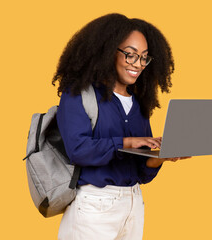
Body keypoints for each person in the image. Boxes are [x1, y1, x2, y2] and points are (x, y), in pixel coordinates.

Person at [52, 13, 190, 240]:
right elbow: (78, 150)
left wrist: (161, 157)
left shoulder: (138, 103)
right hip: (94, 208)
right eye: (130, 55)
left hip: (133, 205)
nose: (138, 64)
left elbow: (141, 172)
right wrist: (126, 142)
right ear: (107, 52)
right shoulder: (79, 95)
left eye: (144, 58)